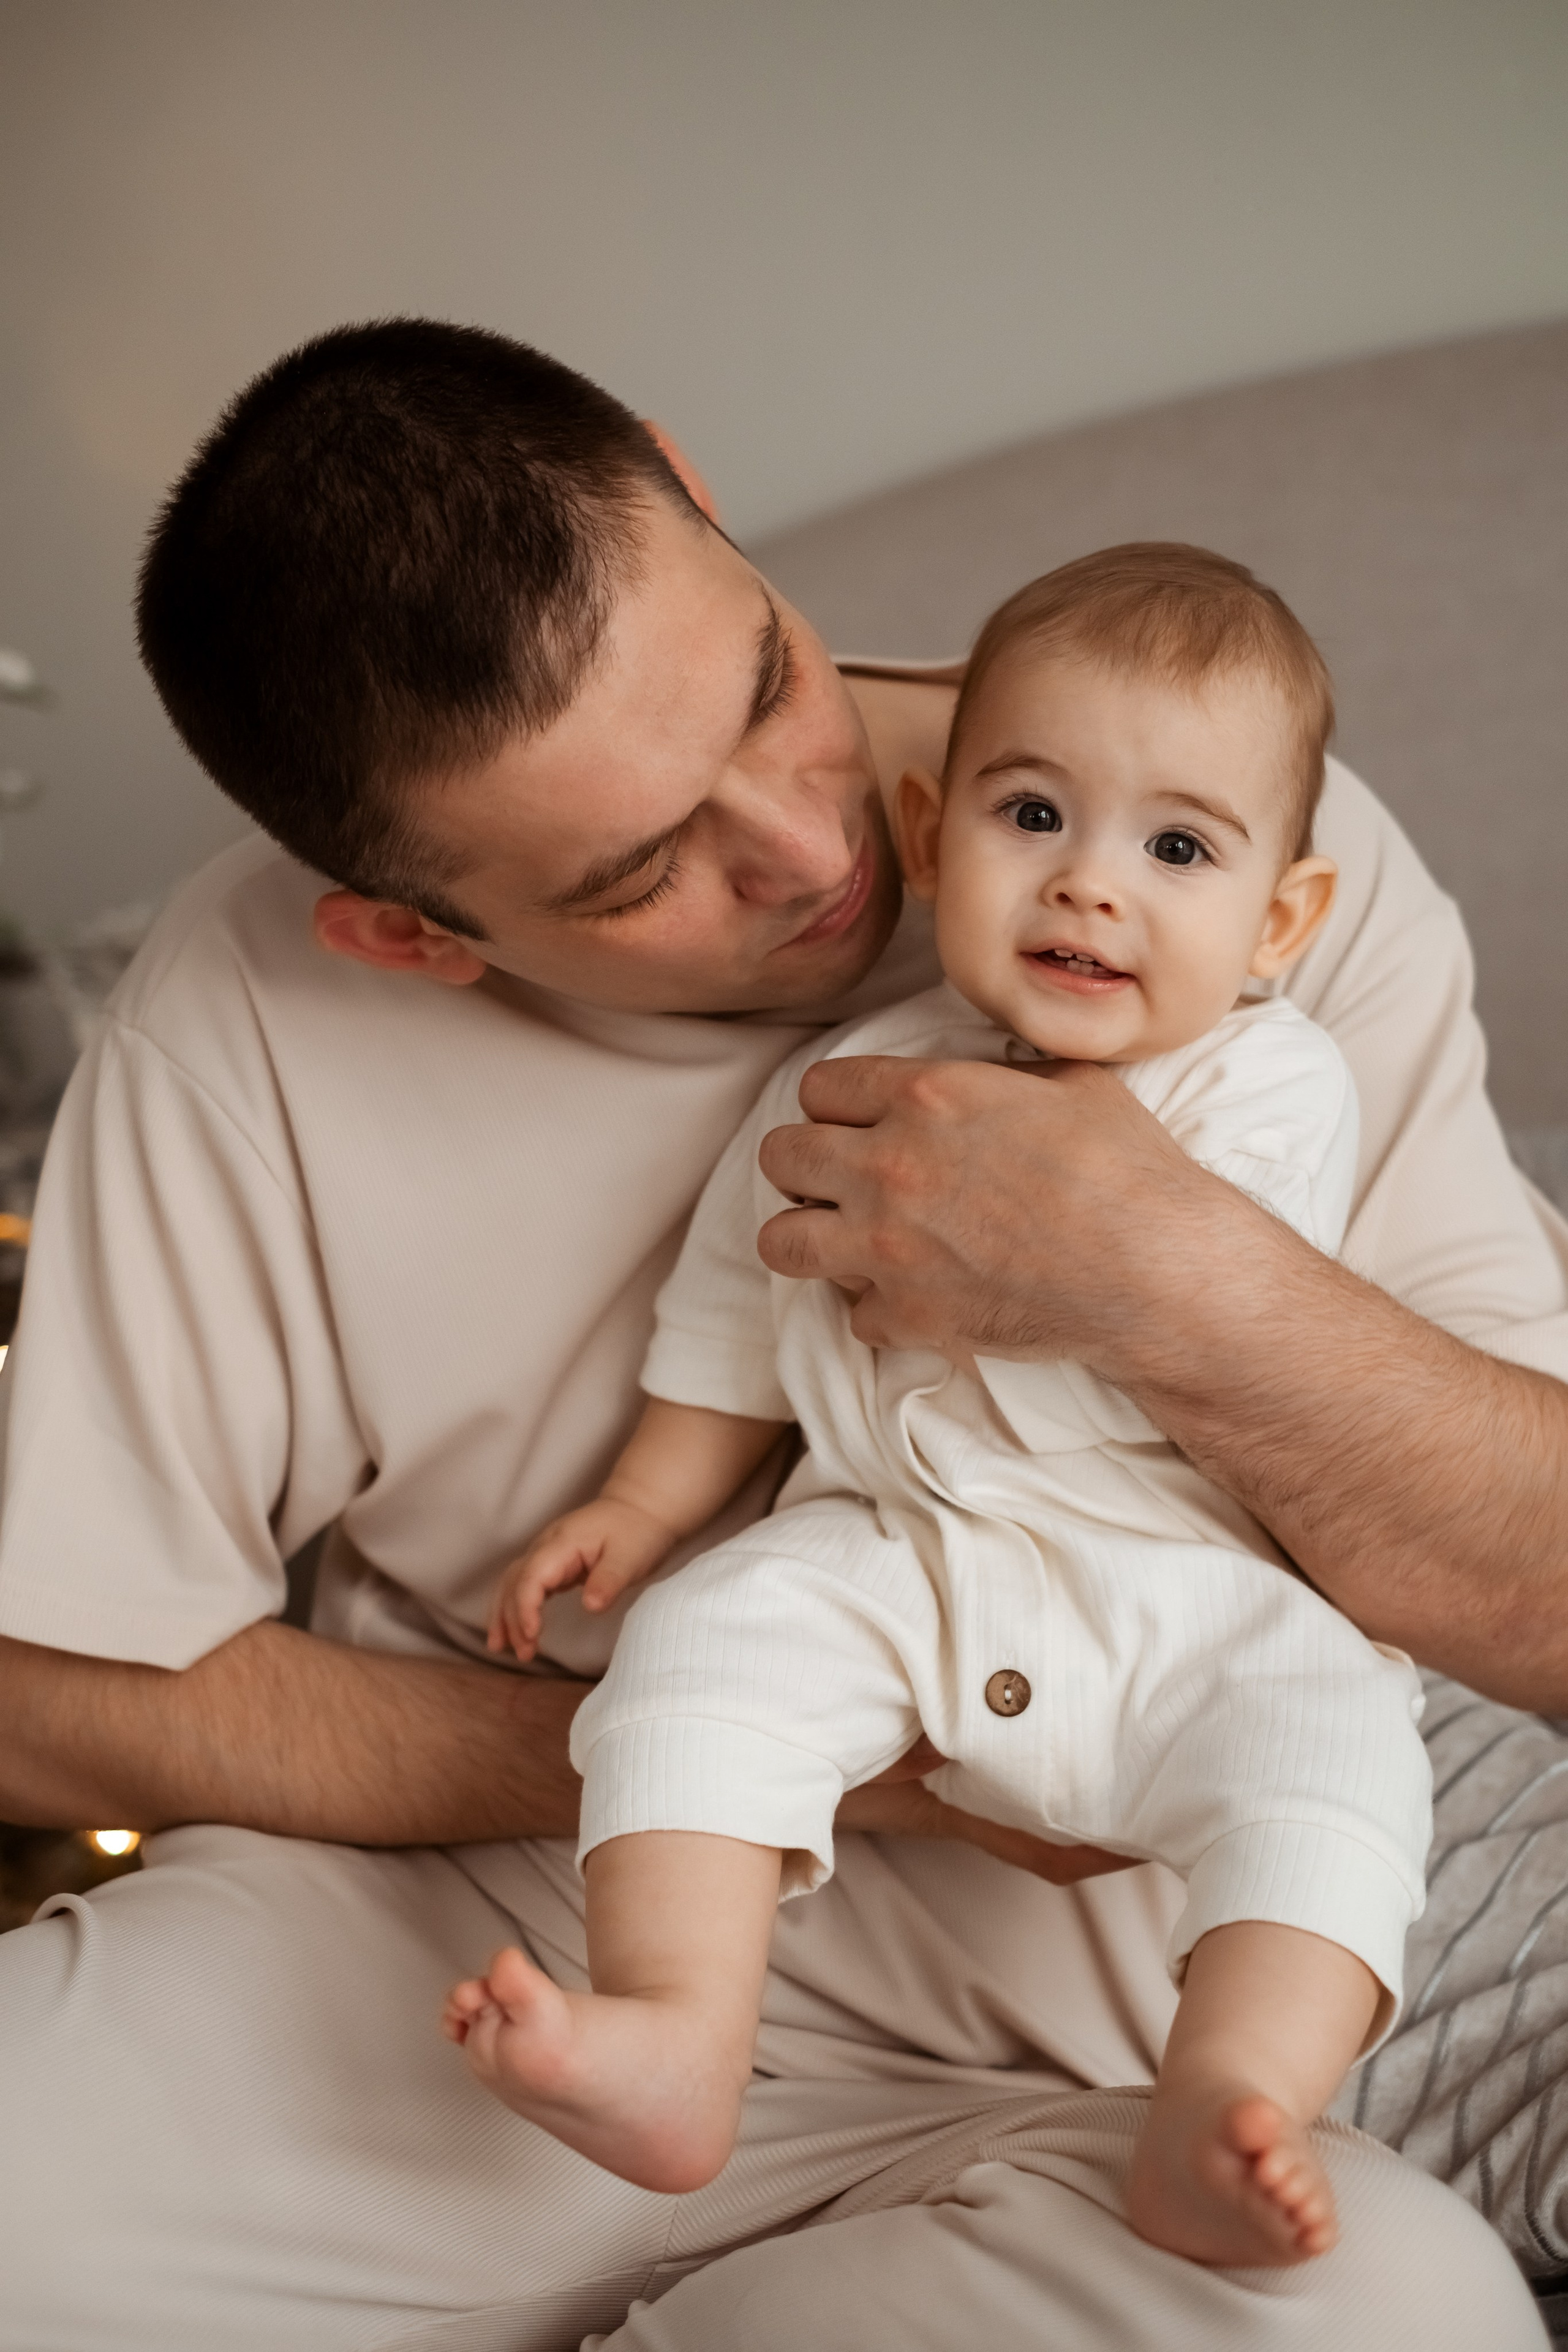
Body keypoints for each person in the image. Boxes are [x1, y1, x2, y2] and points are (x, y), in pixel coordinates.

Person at [0, 318, 1559, 2350]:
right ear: (414, 939)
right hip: (457, 1965)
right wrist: (774, 1767)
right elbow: (51, 1701)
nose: (819, 850)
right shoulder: (229, 1024)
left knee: (1402, 2327)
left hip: (1073, 2084)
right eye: (648, 870)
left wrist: (1169, 1276)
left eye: (768, 687)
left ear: (683, 477)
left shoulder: (1207, 821)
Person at [453, 546, 1434, 2270]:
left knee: (1337, 1756)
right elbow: (741, 1306)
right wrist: (651, 1503)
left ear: (1279, 924)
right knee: (703, 1651)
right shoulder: (847, 1082)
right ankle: (680, 2029)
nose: (1091, 891)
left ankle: (1228, 2094)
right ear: (929, 834)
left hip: (1185, 1588)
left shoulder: (1270, 1078)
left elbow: (1201, 1286)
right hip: (893, 1554)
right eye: (1033, 816)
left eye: (1179, 849)